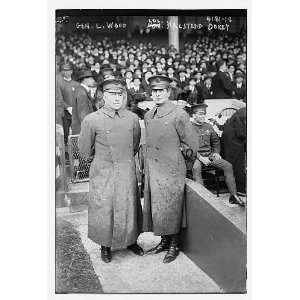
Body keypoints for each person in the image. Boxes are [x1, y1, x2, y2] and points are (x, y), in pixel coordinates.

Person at [78, 78, 144, 263]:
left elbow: (134, 145)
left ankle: (131, 241)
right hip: (103, 171)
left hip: (126, 168)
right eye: (112, 95)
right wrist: (103, 161)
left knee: (129, 205)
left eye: (120, 95)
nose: (117, 98)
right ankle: (105, 246)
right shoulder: (92, 120)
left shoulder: (132, 118)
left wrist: (124, 161)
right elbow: (84, 150)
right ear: (104, 96)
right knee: (104, 207)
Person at [143, 75, 199, 263]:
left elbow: (191, 143)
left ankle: (174, 244)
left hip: (172, 168)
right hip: (154, 168)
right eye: (154, 91)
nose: (157, 94)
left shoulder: (179, 114)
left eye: (161, 91)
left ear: (168, 92)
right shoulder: (148, 115)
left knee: (172, 206)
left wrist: (184, 165)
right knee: (158, 206)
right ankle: (165, 240)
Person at [191, 104, 245, 206]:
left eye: (204, 114)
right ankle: (202, 200)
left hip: (210, 155)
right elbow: (187, 146)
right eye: (200, 114)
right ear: (194, 115)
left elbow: (216, 142)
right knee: (196, 168)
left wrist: (216, 152)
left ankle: (233, 196)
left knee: (228, 166)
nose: (203, 116)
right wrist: (200, 158)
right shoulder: (188, 128)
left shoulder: (208, 126)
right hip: (196, 157)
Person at [221, 107, 246, 195]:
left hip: (233, 135)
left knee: (235, 163)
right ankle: (239, 189)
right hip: (233, 139)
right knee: (236, 163)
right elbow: (241, 133)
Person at [56, 63, 79, 146]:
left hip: (75, 113)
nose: (66, 72)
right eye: (64, 70)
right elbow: (59, 98)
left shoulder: (76, 84)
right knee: (65, 133)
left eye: (68, 70)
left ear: (71, 71)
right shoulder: (59, 83)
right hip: (65, 113)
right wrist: (68, 107)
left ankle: (75, 151)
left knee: (76, 133)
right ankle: (66, 152)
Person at [72, 69, 97, 134]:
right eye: (91, 79)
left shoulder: (81, 90)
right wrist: (88, 131)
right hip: (82, 130)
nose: (93, 81)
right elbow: (83, 115)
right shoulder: (82, 92)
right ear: (85, 79)